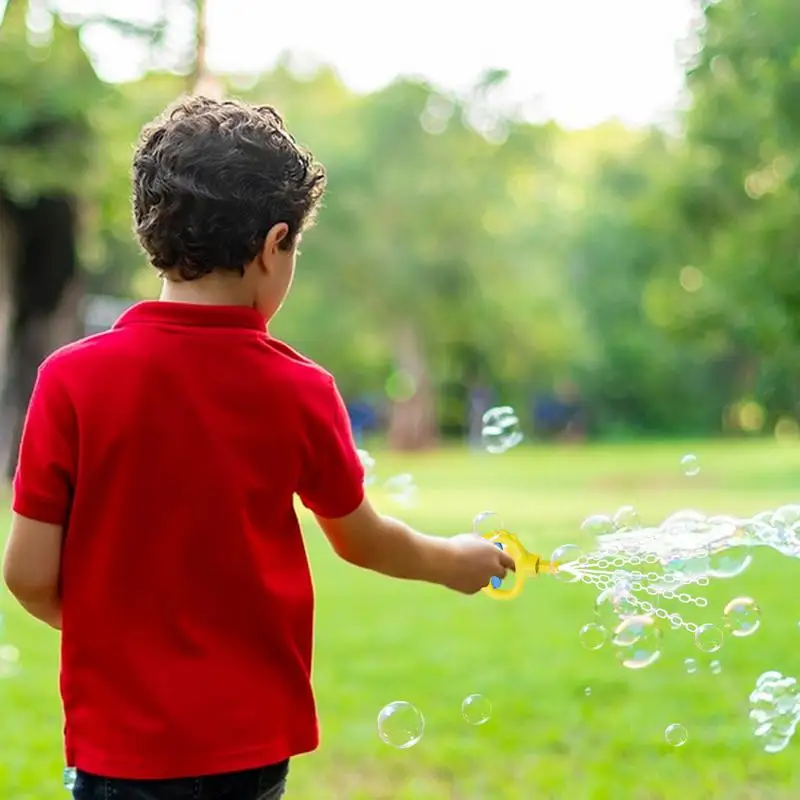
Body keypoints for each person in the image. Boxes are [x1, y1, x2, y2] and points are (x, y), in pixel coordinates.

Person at [2, 97, 514, 800]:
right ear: (275, 244)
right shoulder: (300, 389)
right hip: (246, 747)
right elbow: (362, 540)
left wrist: (118, 635)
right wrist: (455, 559)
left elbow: (28, 574)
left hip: (117, 750)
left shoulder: (69, 380)